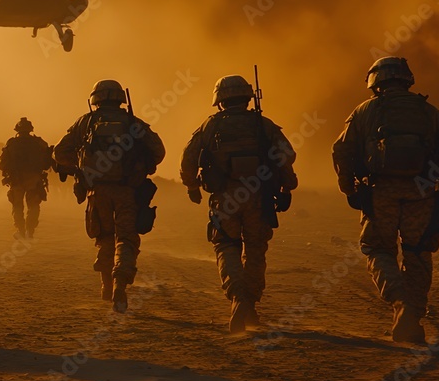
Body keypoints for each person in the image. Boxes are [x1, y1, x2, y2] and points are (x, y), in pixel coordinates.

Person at [332, 56, 439, 343]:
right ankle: (412, 318)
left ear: (374, 82)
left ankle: (401, 304)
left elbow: (342, 150)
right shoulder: (429, 111)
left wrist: (350, 189)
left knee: (378, 251)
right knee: (417, 253)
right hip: (422, 192)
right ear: (407, 79)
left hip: (380, 192)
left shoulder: (364, 111)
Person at [180, 75, 297, 333]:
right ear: (247, 98)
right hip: (259, 197)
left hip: (225, 198)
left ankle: (238, 298)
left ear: (220, 101)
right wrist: (288, 187)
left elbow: (188, 158)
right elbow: (286, 156)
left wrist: (191, 186)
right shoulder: (263, 124)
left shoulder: (210, 126)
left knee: (226, 246)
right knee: (255, 250)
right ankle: (251, 304)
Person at [54, 80, 165, 313]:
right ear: (119, 99)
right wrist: (140, 166)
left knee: (104, 237)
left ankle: (105, 286)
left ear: (96, 99)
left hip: (97, 191)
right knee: (125, 238)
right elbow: (158, 151)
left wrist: (81, 166)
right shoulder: (133, 123)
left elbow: (60, 153)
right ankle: (120, 284)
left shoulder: (85, 122)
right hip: (127, 192)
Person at [0, 117, 53, 239]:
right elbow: (48, 160)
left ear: (17, 129)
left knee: (17, 205)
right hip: (34, 177)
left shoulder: (11, 143)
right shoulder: (39, 142)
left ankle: (20, 230)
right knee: (33, 205)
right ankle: (30, 230)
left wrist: (7, 172)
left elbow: (2, 163)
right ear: (30, 129)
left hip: (16, 178)